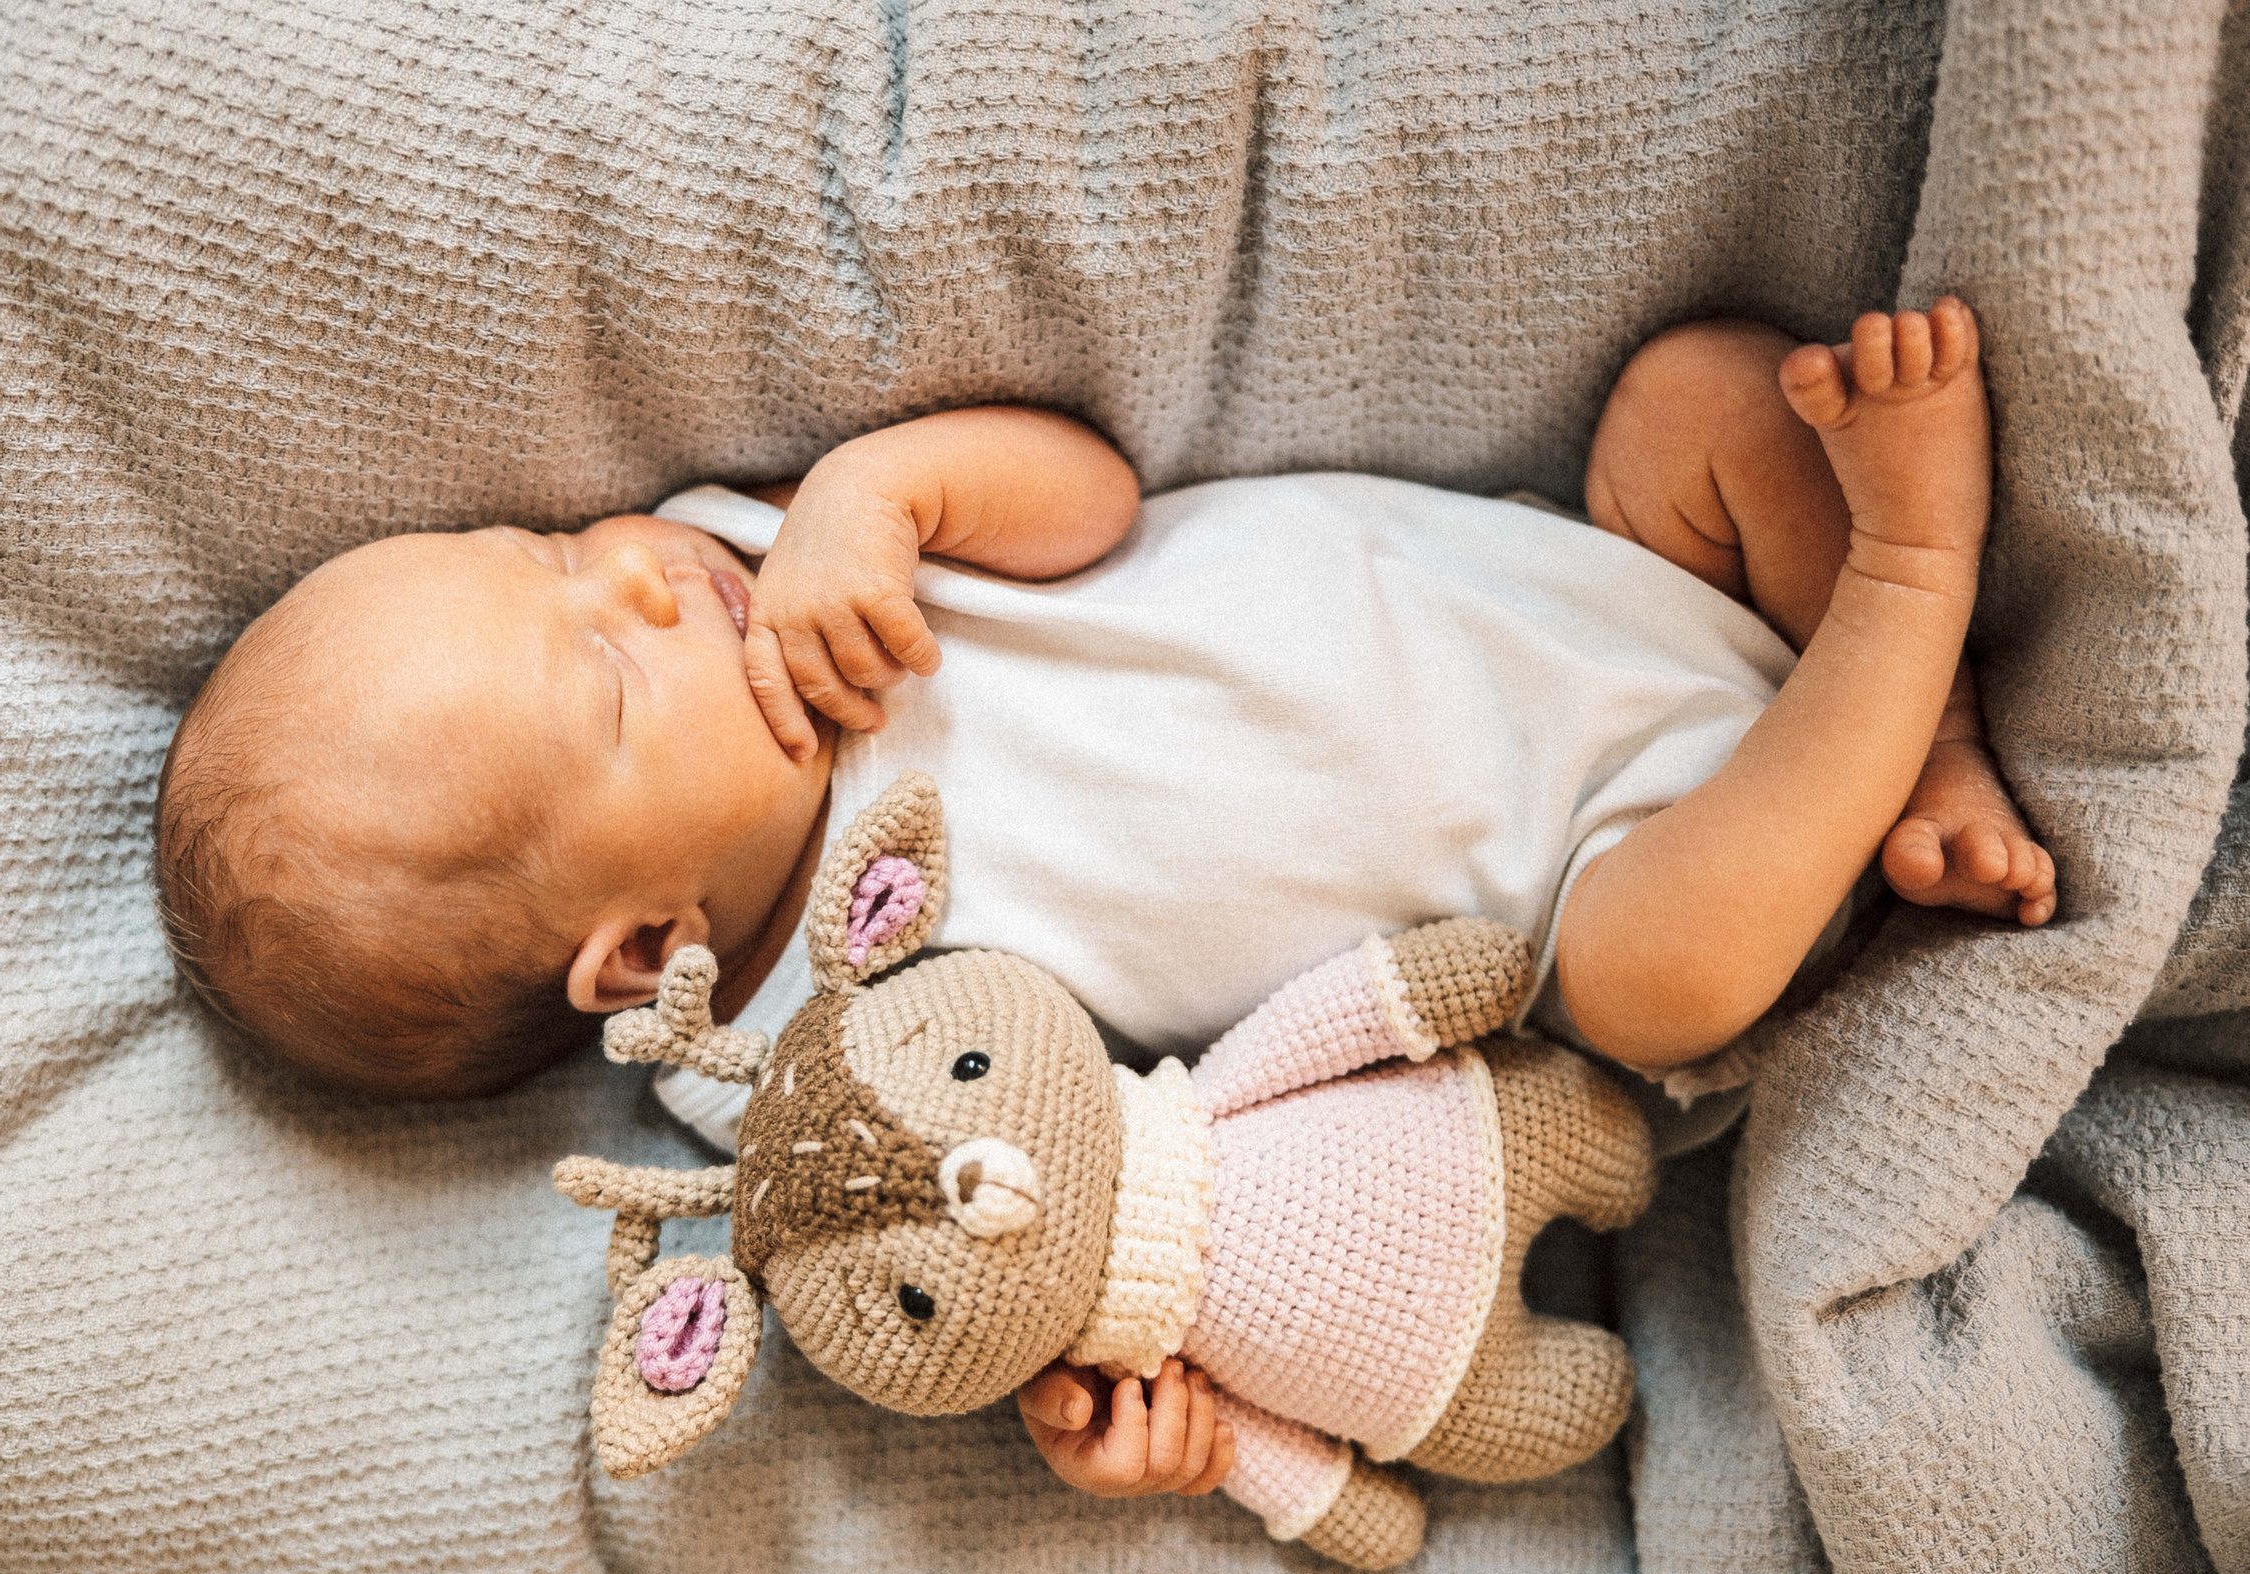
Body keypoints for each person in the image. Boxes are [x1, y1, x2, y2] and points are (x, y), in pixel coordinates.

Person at [153, 299, 2051, 1500]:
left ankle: (1928, 734)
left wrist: (874, 494)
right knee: (1659, 983)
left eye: (556, 552)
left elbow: (1090, 499)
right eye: (600, 675)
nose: (638, 580)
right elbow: (1039, 1227)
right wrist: (1139, 1406)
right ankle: (1910, 584)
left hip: (1610, 576)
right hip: (1590, 884)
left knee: (1697, 395)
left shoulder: (788, 566)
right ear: (642, 954)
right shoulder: (797, 1081)